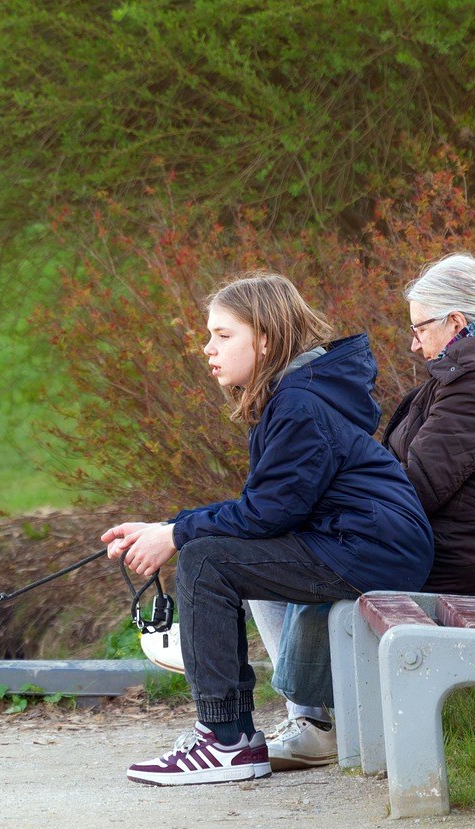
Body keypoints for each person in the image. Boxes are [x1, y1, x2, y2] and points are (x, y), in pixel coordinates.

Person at [103, 271, 434, 787]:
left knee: (207, 560)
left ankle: (226, 740)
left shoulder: (299, 404)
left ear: (265, 340)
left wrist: (174, 535)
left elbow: (266, 514)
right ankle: (251, 733)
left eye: (222, 335)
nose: (207, 348)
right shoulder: (298, 394)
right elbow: (270, 508)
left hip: (369, 550)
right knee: (216, 550)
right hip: (366, 544)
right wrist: (171, 526)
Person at [258, 252, 475, 772]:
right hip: (448, 542)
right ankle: (312, 717)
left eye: (420, 328)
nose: (413, 342)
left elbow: (413, 490)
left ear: (456, 323)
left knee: (274, 559)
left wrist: (324, 512)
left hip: (447, 558)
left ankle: (314, 720)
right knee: (273, 546)